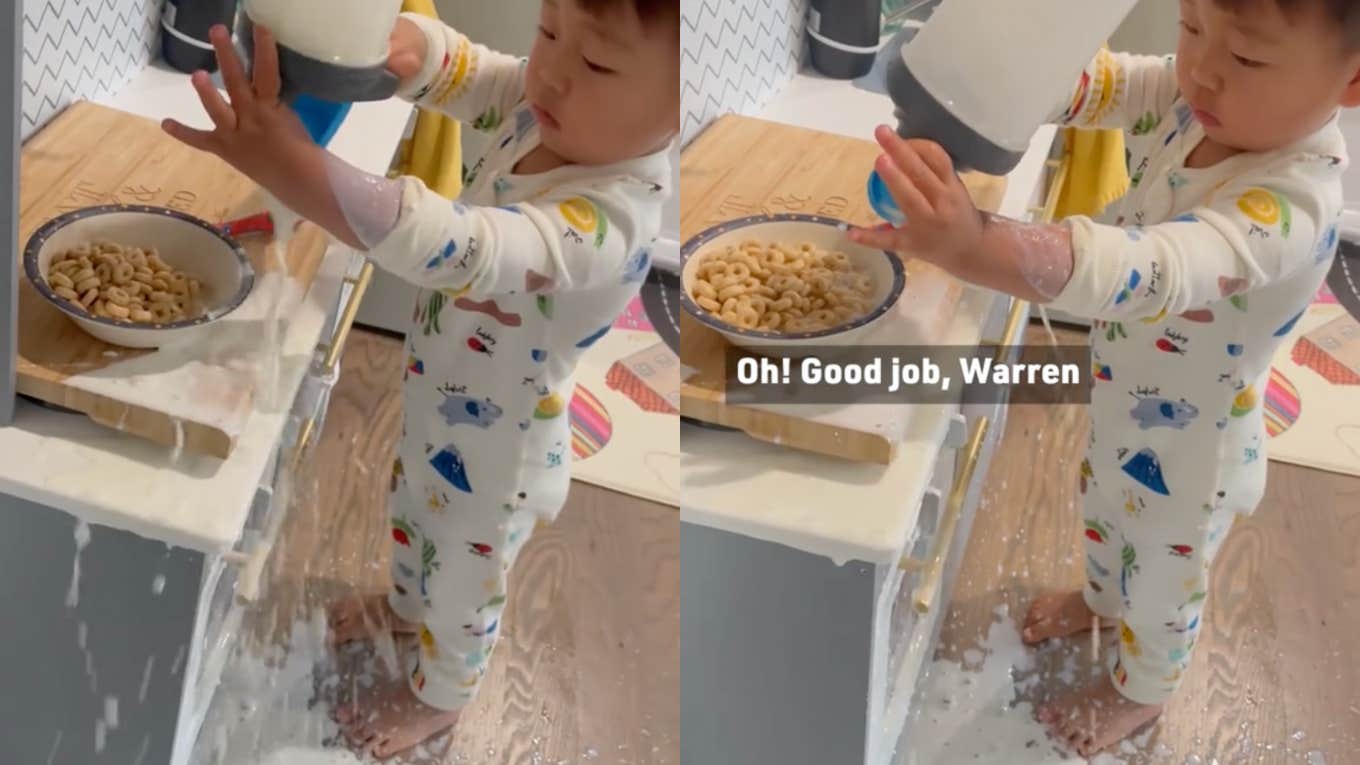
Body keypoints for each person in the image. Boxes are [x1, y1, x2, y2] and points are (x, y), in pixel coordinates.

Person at [163, 0, 679, 757]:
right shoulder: (552, 108)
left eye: (596, 63)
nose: (553, 75)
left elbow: (459, 246)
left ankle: (439, 696)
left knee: (467, 582)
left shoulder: (611, 218)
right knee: (414, 506)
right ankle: (407, 603)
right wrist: (404, 47)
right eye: (548, 32)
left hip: (506, 453)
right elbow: (479, 74)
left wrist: (296, 166)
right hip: (451, 392)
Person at [850, 0, 1359, 755]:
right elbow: (1108, 84)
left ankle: (1141, 689)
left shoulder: (1292, 200)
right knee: (1106, 510)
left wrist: (976, 244)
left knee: (1162, 578)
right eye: (1191, 28)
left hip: (1198, 453)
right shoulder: (1200, 103)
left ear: (1351, 83)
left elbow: (1147, 271)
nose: (1201, 70)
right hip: (1135, 395)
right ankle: (1099, 598)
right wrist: (994, 91)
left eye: (1246, 58)